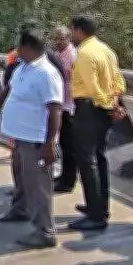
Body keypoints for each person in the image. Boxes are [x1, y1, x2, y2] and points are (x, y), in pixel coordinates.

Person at [0, 27, 64, 248]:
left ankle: (46, 231)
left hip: (36, 141)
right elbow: (7, 90)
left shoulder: (46, 74)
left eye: (19, 45)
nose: (16, 49)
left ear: (28, 47)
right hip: (20, 137)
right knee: (22, 179)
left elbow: (55, 111)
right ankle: (21, 209)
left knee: (38, 186)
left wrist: (50, 144)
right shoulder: (23, 67)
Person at [67, 15, 126, 231]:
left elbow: (92, 88)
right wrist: (114, 103)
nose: (71, 35)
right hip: (102, 110)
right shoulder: (106, 50)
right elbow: (119, 80)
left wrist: (108, 106)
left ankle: (96, 216)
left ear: (78, 30)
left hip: (89, 109)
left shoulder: (84, 53)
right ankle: (100, 207)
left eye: (72, 31)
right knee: (99, 158)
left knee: (87, 161)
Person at [49, 25, 78, 193]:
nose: (58, 42)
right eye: (56, 38)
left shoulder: (72, 56)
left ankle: (68, 181)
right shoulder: (58, 54)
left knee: (69, 145)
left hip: (70, 105)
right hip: (61, 103)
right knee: (63, 143)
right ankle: (63, 175)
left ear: (68, 38)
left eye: (62, 39)